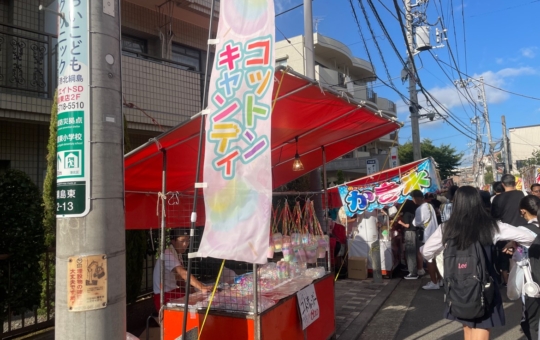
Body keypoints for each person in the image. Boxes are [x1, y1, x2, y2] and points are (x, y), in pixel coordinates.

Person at [421, 186, 535, 340]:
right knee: (481, 325)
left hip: (457, 285)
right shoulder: (491, 226)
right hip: (484, 286)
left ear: (457, 203)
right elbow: (529, 237)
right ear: (478, 202)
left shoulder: (446, 228)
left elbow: (426, 251)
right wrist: (513, 243)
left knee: (467, 328)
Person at [153, 228, 211, 312]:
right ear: (173, 241)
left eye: (187, 240)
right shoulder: (167, 254)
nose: (185, 244)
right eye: (182, 241)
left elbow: (179, 280)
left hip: (173, 292)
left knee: (197, 300)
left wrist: (193, 289)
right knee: (194, 306)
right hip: (163, 296)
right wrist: (202, 287)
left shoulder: (178, 254)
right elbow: (183, 273)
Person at [492, 174, 528, 286]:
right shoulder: (523, 195)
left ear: (503, 185)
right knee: (523, 258)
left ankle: (509, 284)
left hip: (505, 235)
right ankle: (525, 281)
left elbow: (494, 216)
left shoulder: (498, 198)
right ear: (515, 182)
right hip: (523, 232)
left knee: (505, 260)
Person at [410, 190, 441, 289]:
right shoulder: (429, 205)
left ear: (416, 198)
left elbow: (416, 223)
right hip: (435, 233)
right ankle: (440, 280)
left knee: (429, 259)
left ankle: (434, 282)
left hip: (427, 236)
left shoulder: (419, 209)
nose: (412, 200)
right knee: (436, 258)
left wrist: (414, 221)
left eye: (412, 198)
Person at [397, 199, 423, 279]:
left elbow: (407, 225)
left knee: (410, 253)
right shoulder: (413, 211)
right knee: (413, 252)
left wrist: (400, 223)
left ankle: (412, 273)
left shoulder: (406, 213)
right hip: (415, 232)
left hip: (409, 232)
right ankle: (414, 271)